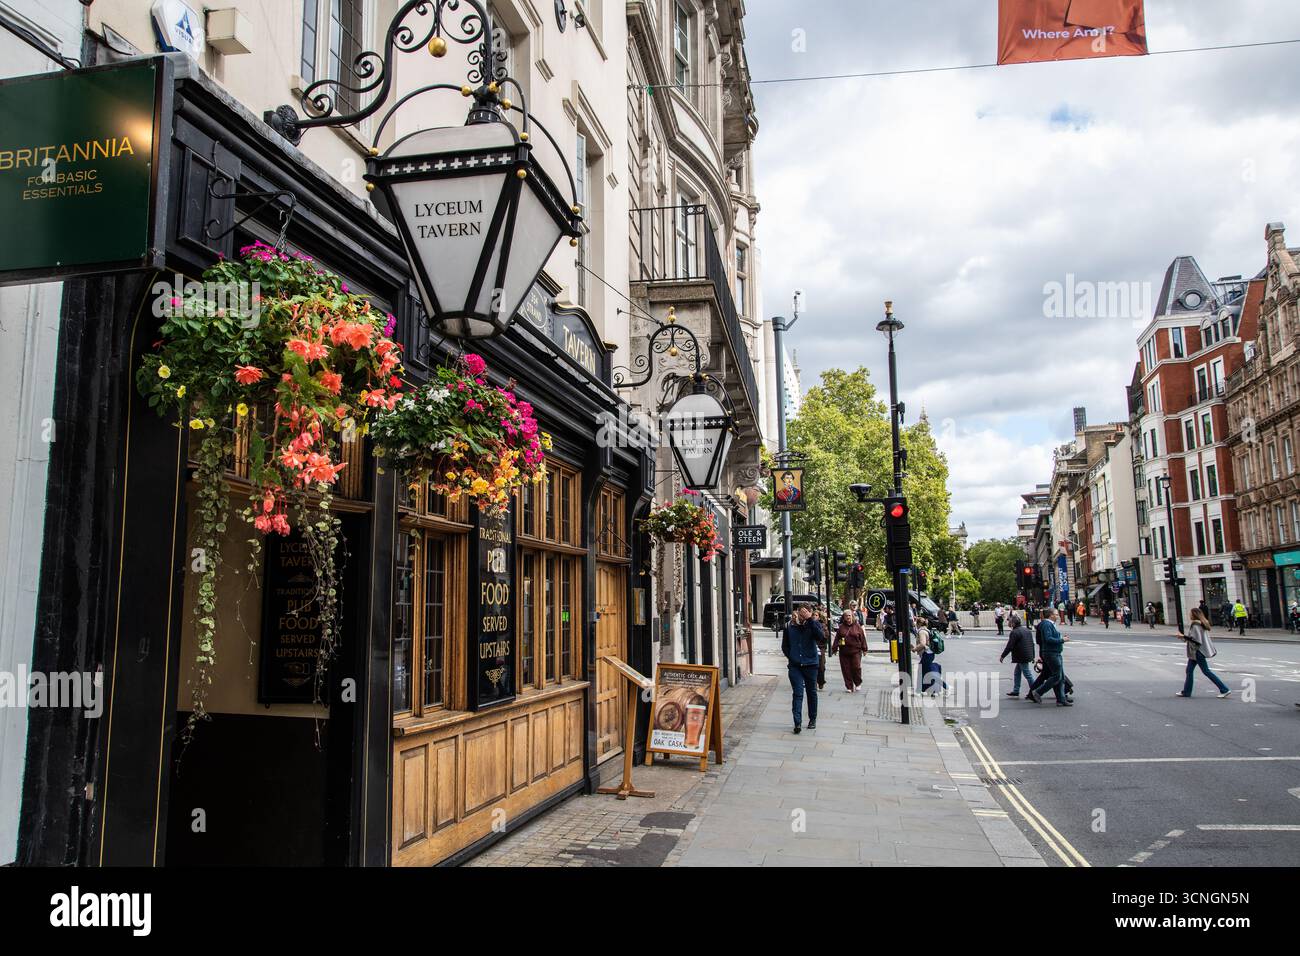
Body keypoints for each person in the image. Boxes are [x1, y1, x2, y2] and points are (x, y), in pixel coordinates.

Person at [781, 604, 821, 733]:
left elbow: (821, 638)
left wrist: (810, 620)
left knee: (811, 692)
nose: (803, 615)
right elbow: (785, 646)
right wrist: (792, 657)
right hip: (795, 666)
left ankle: (812, 719)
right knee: (798, 693)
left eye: (806, 613)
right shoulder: (789, 626)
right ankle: (797, 723)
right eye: (801, 612)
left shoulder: (813, 624)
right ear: (797, 613)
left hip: (811, 664)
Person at [1175, 607, 1232, 698]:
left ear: (1194, 614)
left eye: (1190, 613)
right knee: (1189, 671)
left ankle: (1224, 689)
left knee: (1206, 671)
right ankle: (1186, 692)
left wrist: (1183, 636)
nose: (1189, 615)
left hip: (1197, 651)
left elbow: (1196, 640)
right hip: (1197, 651)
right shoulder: (1202, 624)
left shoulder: (1196, 625)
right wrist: (1183, 637)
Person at [1027, 608, 1072, 705]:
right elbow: (1047, 639)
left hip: (1054, 652)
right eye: (1056, 614)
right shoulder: (1046, 624)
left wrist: (1060, 638)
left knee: (1060, 677)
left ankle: (1061, 699)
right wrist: (1062, 640)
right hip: (1051, 653)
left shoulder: (1049, 624)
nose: (1058, 616)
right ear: (1051, 615)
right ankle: (1038, 692)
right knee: (1056, 676)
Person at [1000, 613, 1037, 698]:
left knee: (1027, 674)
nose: (1008, 623)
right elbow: (1032, 644)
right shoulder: (1026, 630)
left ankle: (1035, 691)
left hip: (1021, 656)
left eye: (1009, 622)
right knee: (1017, 672)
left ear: (1013, 623)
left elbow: (1010, 646)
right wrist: (1033, 656)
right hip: (1026, 655)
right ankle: (1016, 690)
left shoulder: (1014, 632)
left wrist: (1003, 656)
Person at [831, 609, 868, 693]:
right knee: (846, 669)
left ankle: (858, 682)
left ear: (852, 616)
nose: (848, 617)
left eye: (849, 615)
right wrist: (834, 648)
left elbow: (862, 638)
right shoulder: (841, 627)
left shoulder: (857, 626)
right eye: (846, 615)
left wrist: (864, 649)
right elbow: (837, 638)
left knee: (856, 667)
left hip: (856, 651)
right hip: (844, 651)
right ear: (843, 617)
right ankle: (849, 686)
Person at [810, 607, 829, 689]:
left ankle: (821, 681)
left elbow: (825, 637)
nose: (814, 616)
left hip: (820, 648)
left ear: (819, 616)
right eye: (813, 615)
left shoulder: (822, 626)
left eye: (816, 615)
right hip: (812, 647)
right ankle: (813, 683)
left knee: (821, 667)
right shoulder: (809, 625)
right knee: (812, 666)